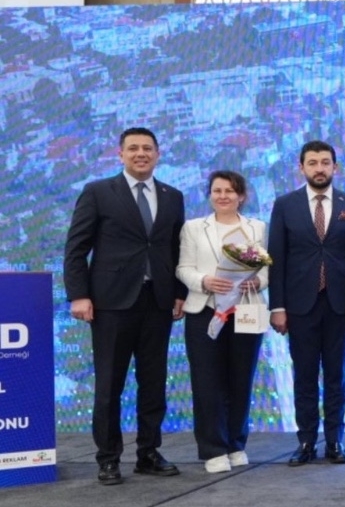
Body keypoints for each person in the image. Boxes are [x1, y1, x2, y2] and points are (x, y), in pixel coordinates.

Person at [65, 127, 186, 485]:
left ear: (158, 154)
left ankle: (148, 453)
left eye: (147, 148)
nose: (140, 153)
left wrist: (179, 293)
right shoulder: (98, 191)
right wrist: (78, 295)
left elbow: (176, 250)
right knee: (109, 385)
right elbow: (76, 248)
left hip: (158, 302)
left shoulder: (173, 196)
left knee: (154, 382)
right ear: (120, 155)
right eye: (133, 148)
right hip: (111, 304)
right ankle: (108, 458)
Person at [268, 140, 345, 466]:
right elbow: (276, 259)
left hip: (341, 304)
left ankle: (335, 441)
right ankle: (306, 442)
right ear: (301, 167)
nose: (319, 168)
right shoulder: (285, 205)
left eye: (325, 162)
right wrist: (277, 307)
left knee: (336, 376)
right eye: (312, 163)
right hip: (299, 305)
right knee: (304, 376)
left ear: (335, 167)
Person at [175, 170, 267, 473]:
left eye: (230, 191)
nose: (223, 196)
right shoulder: (193, 228)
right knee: (207, 383)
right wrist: (204, 281)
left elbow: (266, 269)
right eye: (217, 191)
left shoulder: (257, 227)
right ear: (210, 195)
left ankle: (236, 444)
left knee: (241, 380)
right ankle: (213, 449)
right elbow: (183, 268)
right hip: (205, 311)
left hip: (245, 311)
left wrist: (258, 282)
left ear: (241, 196)